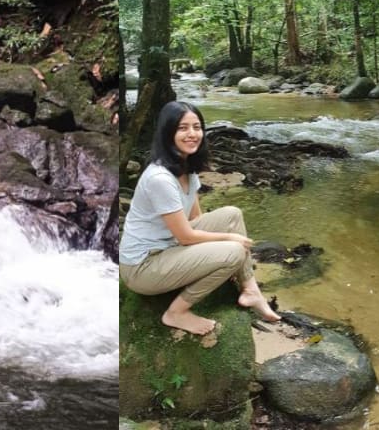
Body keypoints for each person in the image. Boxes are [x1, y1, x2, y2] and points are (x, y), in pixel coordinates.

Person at [119, 100, 280, 335]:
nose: (192, 134)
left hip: (168, 246)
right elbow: (186, 236)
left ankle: (250, 289)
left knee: (232, 215)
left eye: (197, 127)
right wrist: (229, 241)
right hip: (143, 267)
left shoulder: (186, 167)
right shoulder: (160, 178)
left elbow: (196, 218)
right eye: (183, 128)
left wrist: (212, 255)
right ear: (167, 132)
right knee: (233, 250)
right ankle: (176, 313)